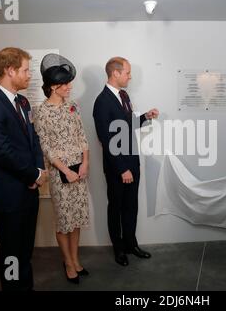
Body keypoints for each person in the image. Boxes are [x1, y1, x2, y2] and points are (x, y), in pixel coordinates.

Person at [0, 47, 47, 291]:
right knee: (12, 255)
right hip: (9, 196)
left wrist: (38, 170)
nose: (29, 75)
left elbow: (33, 139)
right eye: (26, 70)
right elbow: (2, 152)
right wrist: (34, 175)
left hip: (29, 191)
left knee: (25, 251)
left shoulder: (23, 101)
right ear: (9, 70)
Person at [93, 57, 159, 266]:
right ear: (116, 73)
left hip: (132, 163)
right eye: (128, 73)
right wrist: (122, 169)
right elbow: (105, 138)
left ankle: (131, 244)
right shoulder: (102, 101)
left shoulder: (124, 95)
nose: (130, 76)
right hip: (117, 168)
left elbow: (127, 124)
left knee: (131, 207)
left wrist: (145, 117)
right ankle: (119, 249)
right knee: (117, 207)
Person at [33, 54, 90, 284]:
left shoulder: (73, 106)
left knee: (76, 219)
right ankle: (67, 262)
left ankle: (75, 259)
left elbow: (82, 136)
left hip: (80, 171)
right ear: (54, 86)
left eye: (69, 82)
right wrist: (65, 170)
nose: (69, 87)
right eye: (65, 84)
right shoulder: (41, 112)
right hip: (60, 173)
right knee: (64, 221)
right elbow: (45, 146)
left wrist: (85, 162)